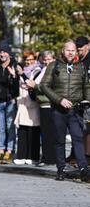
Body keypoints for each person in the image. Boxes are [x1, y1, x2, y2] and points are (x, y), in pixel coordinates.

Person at [40, 40, 90, 182]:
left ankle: (83, 169)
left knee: (78, 139)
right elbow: (44, 86)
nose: (70, 53)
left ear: (76, 52)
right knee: (59, 140)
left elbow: (86, 86)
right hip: (58, 110)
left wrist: (87, 100)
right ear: (63, 51)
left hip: (75, 110)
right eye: (68, 50)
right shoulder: (54, 65)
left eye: (73, 50)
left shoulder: (80, 66)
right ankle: (60, 169)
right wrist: (59, 100)